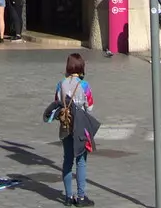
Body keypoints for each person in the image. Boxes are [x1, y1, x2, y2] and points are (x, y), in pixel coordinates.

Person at [53, 51, 95, 206]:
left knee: (67, 160)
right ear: (81, 67)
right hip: (81, 127)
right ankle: (81, 197)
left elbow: (56, 102)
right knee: (81, 162)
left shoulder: (60, 84)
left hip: (65, 126)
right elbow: (89, 107)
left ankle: (68, 197)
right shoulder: (85, 85)